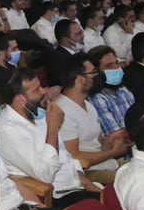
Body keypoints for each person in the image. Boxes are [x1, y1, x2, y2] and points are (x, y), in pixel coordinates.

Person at [0, 68, 101, 208]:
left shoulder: (40, 114)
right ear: (20, 100)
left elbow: (65, 156)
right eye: (37, 90)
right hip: (54, 195)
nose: (44, 91)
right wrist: (53, 129)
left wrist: (85, 181)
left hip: (76, 185)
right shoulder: (7, 131)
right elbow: (46, 174)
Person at [50, 54, 130, 185]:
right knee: (133, 180)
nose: (98, 76)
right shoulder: (62, 110)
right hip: (88, 172)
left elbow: (96, 143)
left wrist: (111, 141)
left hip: (106, 163)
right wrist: (113, 152)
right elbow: (74, 157)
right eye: (93, 72)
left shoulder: (88, 105)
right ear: (80, 79)